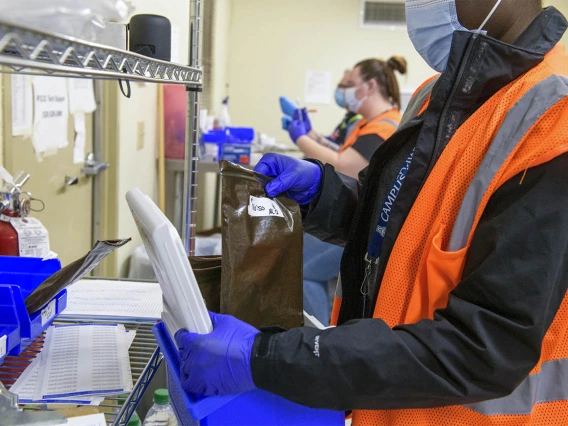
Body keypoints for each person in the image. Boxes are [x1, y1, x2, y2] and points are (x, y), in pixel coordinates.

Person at [176, 1, 568, 425]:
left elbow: (485, 345)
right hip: (383, 405)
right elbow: (405, 227)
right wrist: (322, 193)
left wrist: (269, 359)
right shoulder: (436, 96)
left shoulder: (553, 120)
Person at [284, 57, 407, 180]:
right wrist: (310, 134)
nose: (345, 92)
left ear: (370, 86)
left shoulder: (384, 127)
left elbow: (342, 166)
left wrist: (300, 138)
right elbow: (343, 153)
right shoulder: (366, 122)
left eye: (350, 85)